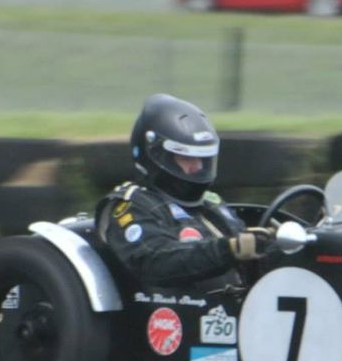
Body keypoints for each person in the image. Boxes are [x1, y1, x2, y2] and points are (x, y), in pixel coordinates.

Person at [96, 94, 271, 289]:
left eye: (202, 159)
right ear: (158, 156)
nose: (197, 167)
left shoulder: (211, 203)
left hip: (245, 305)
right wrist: (229, 249)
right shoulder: (134, 205)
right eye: (187, 159)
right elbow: (154, 263)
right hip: (174, 314)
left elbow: (248, 252)